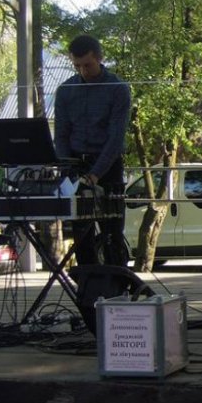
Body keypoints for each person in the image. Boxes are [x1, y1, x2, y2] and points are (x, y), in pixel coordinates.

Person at [54, 34, 132, 266]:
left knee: (112, 234)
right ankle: (87, 284)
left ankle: (117, 283)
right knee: (81, 236)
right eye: (77, 66)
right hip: (76, 164)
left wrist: (96, 174)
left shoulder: (118, 88)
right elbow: (61, 135)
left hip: (108, 165)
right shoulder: (65, 90)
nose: (83, 71)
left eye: (87, 65)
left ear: (99, 58)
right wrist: (67, 169)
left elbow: (115, 137)